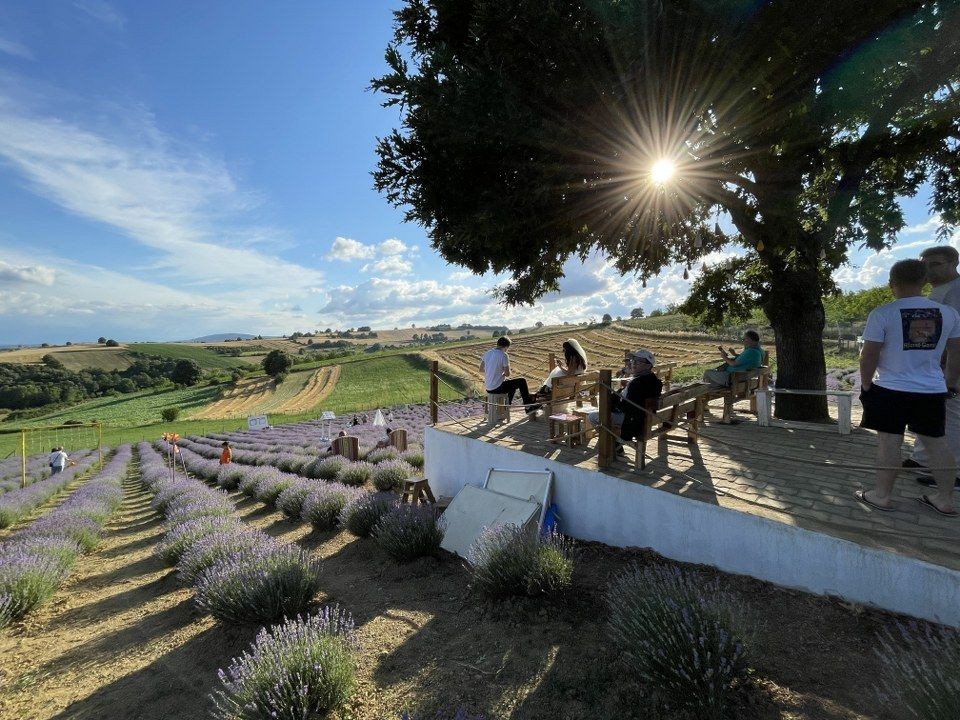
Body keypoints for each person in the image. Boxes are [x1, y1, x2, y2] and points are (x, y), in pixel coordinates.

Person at [857, 259, 960, 517]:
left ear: (892, 283)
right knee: (937, 443)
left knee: (889, 442)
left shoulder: (882, 313)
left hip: (889, 388)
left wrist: (867, 383)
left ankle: (881, 496)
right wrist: (948, 382)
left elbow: (868, 355)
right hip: (932, 389)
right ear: (924, 282)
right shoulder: (948, 314)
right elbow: (956, 352)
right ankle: (945, 499)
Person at [905, 245, 960, 489]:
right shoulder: (939, 291)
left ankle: (954, 473)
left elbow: (954, 338)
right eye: (924, 264)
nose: (928, 269)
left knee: (951, 417)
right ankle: (923, 459)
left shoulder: (956, 291)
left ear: (953, 263)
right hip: (931, 367)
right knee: (929, 413)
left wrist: (948, 373)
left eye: (935, 264)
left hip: (948, 368)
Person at [588, 350, 663, 452]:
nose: (633, 364)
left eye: (638, 362)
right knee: (606, 409)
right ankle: (616, 443)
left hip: (633, 421)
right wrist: (624, 390)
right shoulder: (652, 379)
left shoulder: (637, 383)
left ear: (648, 365)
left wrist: (613, 398)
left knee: (592, 416)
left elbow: (627, 407)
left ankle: (613, 443)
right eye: (633, 361)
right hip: (644, 417)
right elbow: (636, 400)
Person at [480, 336, 541, 417]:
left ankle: (507, 407)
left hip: (488, 387)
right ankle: (528, 406)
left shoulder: (487, 353)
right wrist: (503, 374)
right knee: (521, 381)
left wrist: (491, 371)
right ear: (506, 347)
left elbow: (481, 369)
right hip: (497, 388)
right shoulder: (503, 355)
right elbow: (507, 373)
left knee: (511, 386)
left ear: (498, 344)